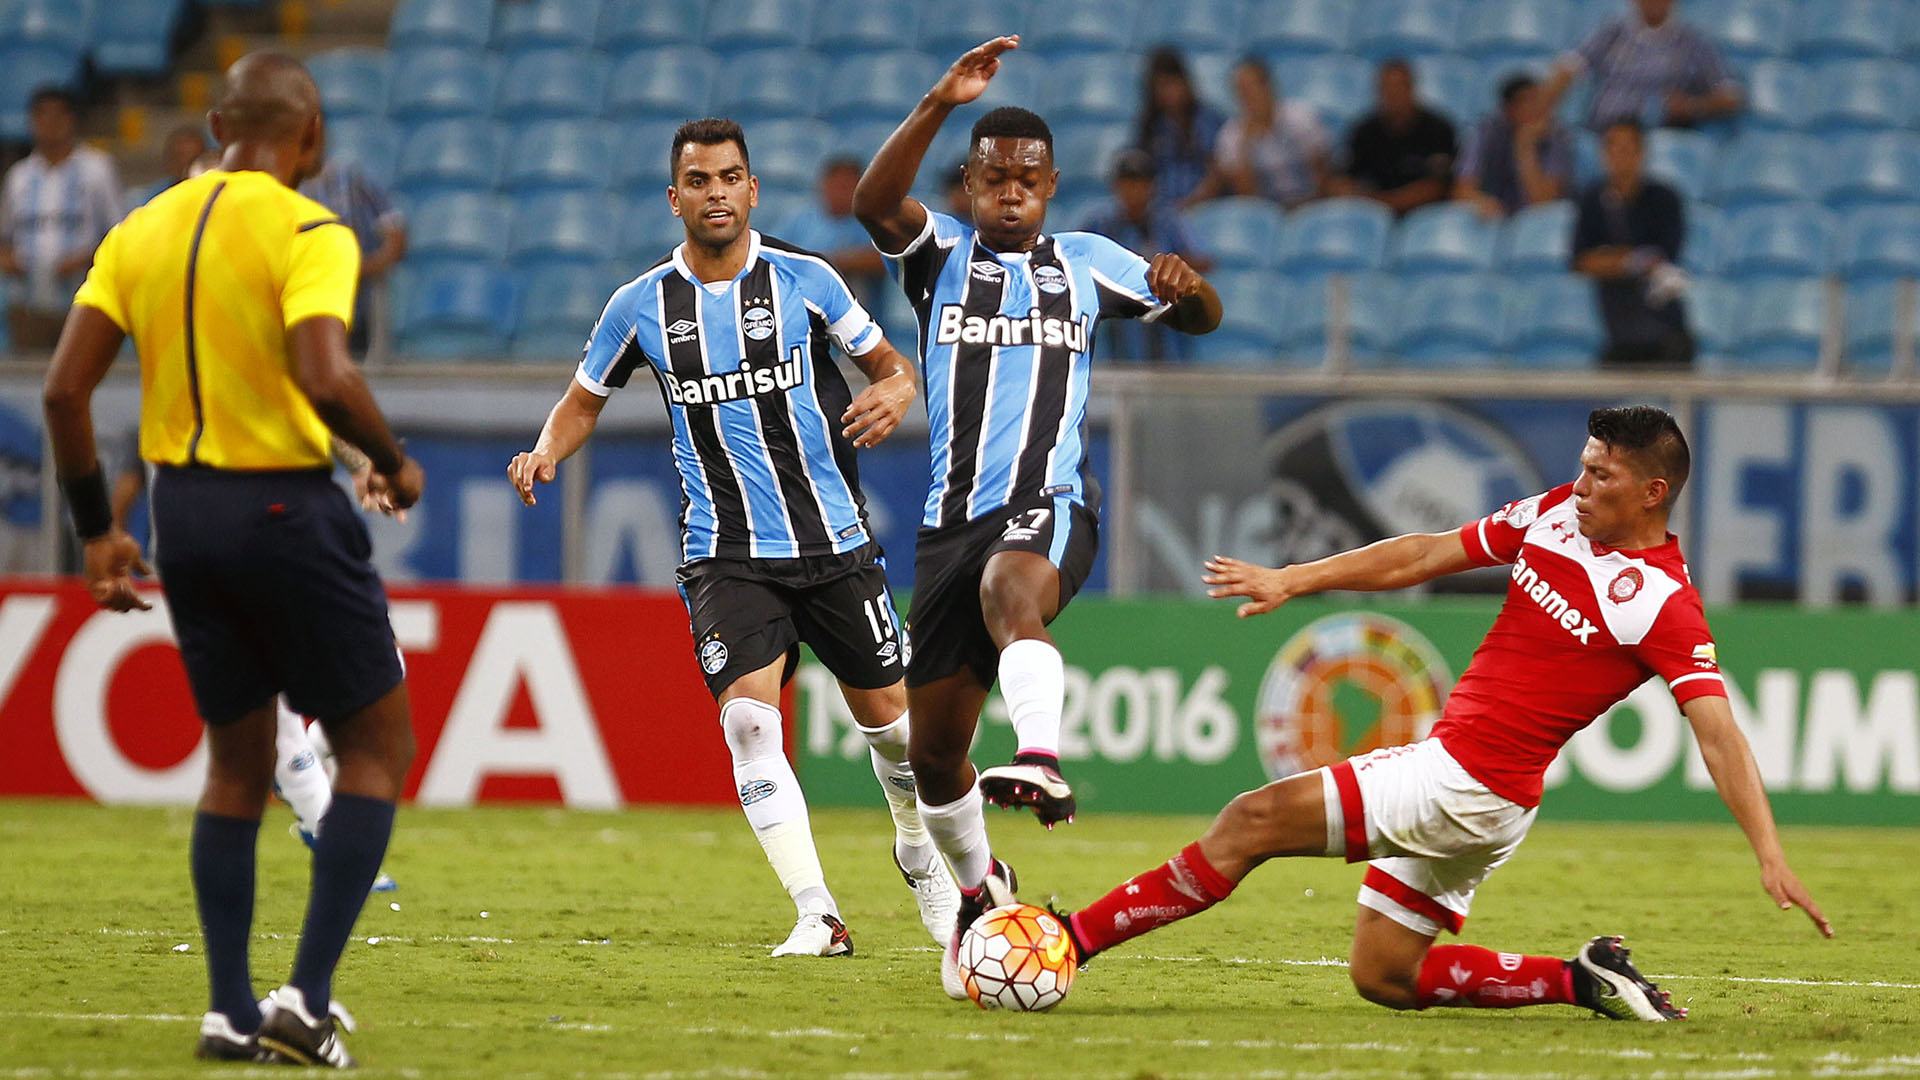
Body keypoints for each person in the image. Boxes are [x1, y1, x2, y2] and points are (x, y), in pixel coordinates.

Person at [1058, 406, 1831, 1021]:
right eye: (1584, 467)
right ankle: (1579, 979)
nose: (1583, 484)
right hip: (1485, 793)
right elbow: (1427, 553)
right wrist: (1296, 578)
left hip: (1465, 781)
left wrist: (1769, 852)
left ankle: (1063, 944)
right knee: (1385, 974)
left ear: (1651, 492)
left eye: (1602, 475)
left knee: (1249, 822)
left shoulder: (1663, 604)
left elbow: (1719, 734)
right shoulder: (1559, 514)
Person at [42, 53, 424, 1067]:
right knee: (380, 746)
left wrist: (95, 531)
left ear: (215, 124)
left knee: (235, 766)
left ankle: (226, 1010)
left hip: (182, 517)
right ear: (314, 138)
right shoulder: (310, 229)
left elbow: (64, 393)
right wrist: (390, 459)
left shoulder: (140, 227)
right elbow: (322, 369)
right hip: (284, 508)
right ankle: (303, 999)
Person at [507, 118, 959, 960]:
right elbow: (582, 401)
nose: (716, 192)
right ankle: (818, 913)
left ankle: (919, 857)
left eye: (730, 177)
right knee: (749, 724)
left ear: (753, 190)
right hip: (725, 551)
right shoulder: (638, 305)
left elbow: (892, 367)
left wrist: (898, 393)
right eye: (699, 180)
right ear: (674, 196)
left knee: (896, 735)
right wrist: (544, 448)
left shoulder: (808, 280)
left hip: (834, 543)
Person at [851, 35, 1221, 1000]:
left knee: (1013, 589)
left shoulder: (1091, 263)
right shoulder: (935, 260)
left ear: (1051, 185)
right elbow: (870, 206)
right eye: (992, 177)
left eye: (1027, 177)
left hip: (1049, 505)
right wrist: (939, 97)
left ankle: (1044, 757)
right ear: (969, 185)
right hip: (947, 525)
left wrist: (1190, 289)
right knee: (933, 756)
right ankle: (983, 895)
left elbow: (1200, 318)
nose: (1010, 190)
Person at [1, 87, 123, 350]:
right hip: (29, 305)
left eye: (58, 116)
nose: (50, 125)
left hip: (85, 303)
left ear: (71, 120)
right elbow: (5, 238)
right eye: (42, 117)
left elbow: (119, 235)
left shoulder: (97, 169)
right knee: (28, 381)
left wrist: (84, 259)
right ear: (32, 122)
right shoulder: (19, 176)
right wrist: (9, 259)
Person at [1572, 119, 1693, 368]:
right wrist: (1631, 261)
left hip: (1664, 326)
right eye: (1613, 148)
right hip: (1615, 328)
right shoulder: (1592, 201)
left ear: (1641, 153)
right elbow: (1583, 261)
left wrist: (1610, 259)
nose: (1620, 157)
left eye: (1627, 149)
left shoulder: (1664, 198)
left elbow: (1661, 258)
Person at [1080, 149, 1212, 363]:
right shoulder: (1100, 224)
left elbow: (1204, 262)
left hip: (1164, 333)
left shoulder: (1168, 222)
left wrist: (1162, 270)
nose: (1133, 190)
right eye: (1127, 182)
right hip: (1116, 331)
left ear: (1152, 186)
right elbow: (1074, 261)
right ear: (1116, 186)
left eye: (1140, 182)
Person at [1543, 0, 1739, 131]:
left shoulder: (1693, 42)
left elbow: (1731, 97)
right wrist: (1542, 111)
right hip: (1604, 134)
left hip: (1657, 141)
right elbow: (1568, 67)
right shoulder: (1612, 32)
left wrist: (1693, 106)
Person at [299, 147, 407, 354]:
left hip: (358, 298)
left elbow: (396, 232)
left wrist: (364, 267)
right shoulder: (276, 190)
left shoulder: (349, 176)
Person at [1190, 56, 1329, 209]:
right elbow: (1247, 200)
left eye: (1251, 88)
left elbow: (1323, 175)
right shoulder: (1231, 136)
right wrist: (1245, 148)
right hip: (1267, 215)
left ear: (1268, 86)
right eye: (1240, 91)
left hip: (1311, 205)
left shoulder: (1303, 117)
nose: (1247, 97)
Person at [1333, 59, 1457, 216]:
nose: (1393, 95)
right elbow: (1341, 180)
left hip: (1425, 215)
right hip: (1373, 216)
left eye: (1398, 88)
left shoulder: (1438, 129)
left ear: (1411, 88)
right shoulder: (1364, 131)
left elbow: (1439, 186)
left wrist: (1385, 202)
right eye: (1387, 90)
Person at [1455, 73, 1574, 218]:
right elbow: (1462, 189)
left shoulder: (1558, 134)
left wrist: (1524, 148)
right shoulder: (1485, 130)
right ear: (1509, 109)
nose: (1538, 109)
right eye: (1528, 102)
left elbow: (1544, 202)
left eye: (1539, 101)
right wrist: (1480, 201)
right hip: (1495, 217)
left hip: (1537, 220)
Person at [780, 156, 889, 309]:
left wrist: (828, 263)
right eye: (834, 186)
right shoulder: (803, 219)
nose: (840, 193)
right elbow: (774, 254)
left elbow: (884, 260)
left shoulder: (873, 222)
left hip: (858, 315)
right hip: (804, 307)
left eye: (846, 186)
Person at [1133, 47, 1223, 206]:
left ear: (1184, 83)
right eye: (1158, 86)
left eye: (1170, 84)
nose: (1165, 92)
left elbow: (1218, 170)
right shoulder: (1150, 127)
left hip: (1206, 207)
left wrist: (1193, 202)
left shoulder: (1207, 120)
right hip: (1163, 210)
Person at [141, 124, 212, 205]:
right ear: (169, 161)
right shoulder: (155, 199)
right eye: (180, 156)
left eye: (194, 159)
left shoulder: (219, 195)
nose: (186, 168)